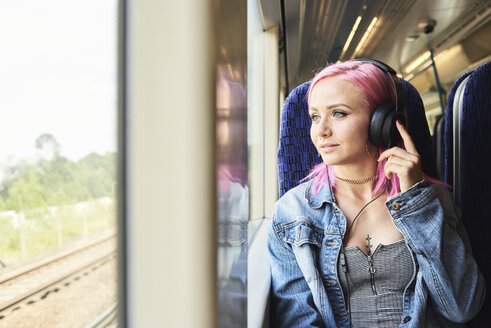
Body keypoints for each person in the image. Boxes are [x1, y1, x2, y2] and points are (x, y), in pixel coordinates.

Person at [268, 60, 485, 327]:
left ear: (382, 122)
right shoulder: (291, 213)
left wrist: (416, 203)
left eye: (338, 113)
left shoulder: (433, 199)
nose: (321, 131)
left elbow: (462, 308)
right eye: (315, 116)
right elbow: (299, 320)